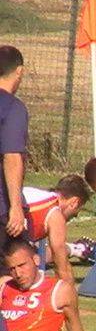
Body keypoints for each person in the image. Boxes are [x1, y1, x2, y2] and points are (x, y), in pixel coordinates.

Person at [24, 174, 96, 282]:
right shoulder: (54, 213)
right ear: (74, 202)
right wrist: (67, 293)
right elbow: (61, 264)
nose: (75, 216)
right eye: (77, 211)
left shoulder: (35, 195)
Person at [0, 45, 29, 277]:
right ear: (19, 71)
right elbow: (11, 156)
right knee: (14, 271)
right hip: (1, 206)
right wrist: (16, 208)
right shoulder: (12, 108)